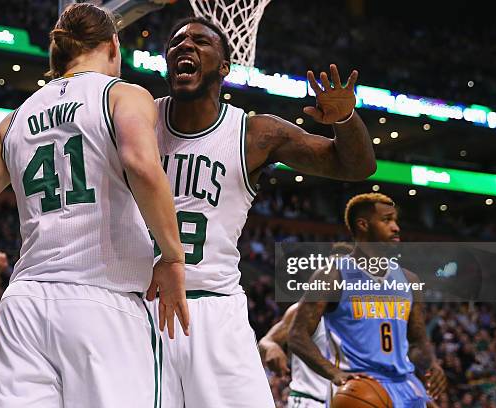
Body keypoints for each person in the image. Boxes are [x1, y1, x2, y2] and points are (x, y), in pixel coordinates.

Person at [0, 3, 188, 407]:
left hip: (24, 308)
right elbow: (142, 164)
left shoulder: (15, 118)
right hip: (101, 300)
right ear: (113, 46)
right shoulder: (121, 94)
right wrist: (173, 258)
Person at [149, 17, 376, 408]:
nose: (184, 46)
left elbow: (356, 167)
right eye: (176, 42)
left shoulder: (256, 133)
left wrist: (344, 119)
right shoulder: (137, 120)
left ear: (224, 67)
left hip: (216, 308)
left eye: (200, 41)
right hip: (140, 307)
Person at [288, 193, 447, 407]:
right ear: (363, 225)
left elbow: (417, 341)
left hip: (404, 384)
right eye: (386, 220)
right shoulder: (332, 275)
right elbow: (297, 334)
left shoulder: (409, 280)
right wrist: (334, 373)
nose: (396, 227)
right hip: (359, 386)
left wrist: (431, 365)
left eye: (395, 220)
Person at [259, 244, 352, 408]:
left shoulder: (365, 316)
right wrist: (272, 347)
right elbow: (266, 341)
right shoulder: (301, 310)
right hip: (310, 400)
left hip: (350, 401)